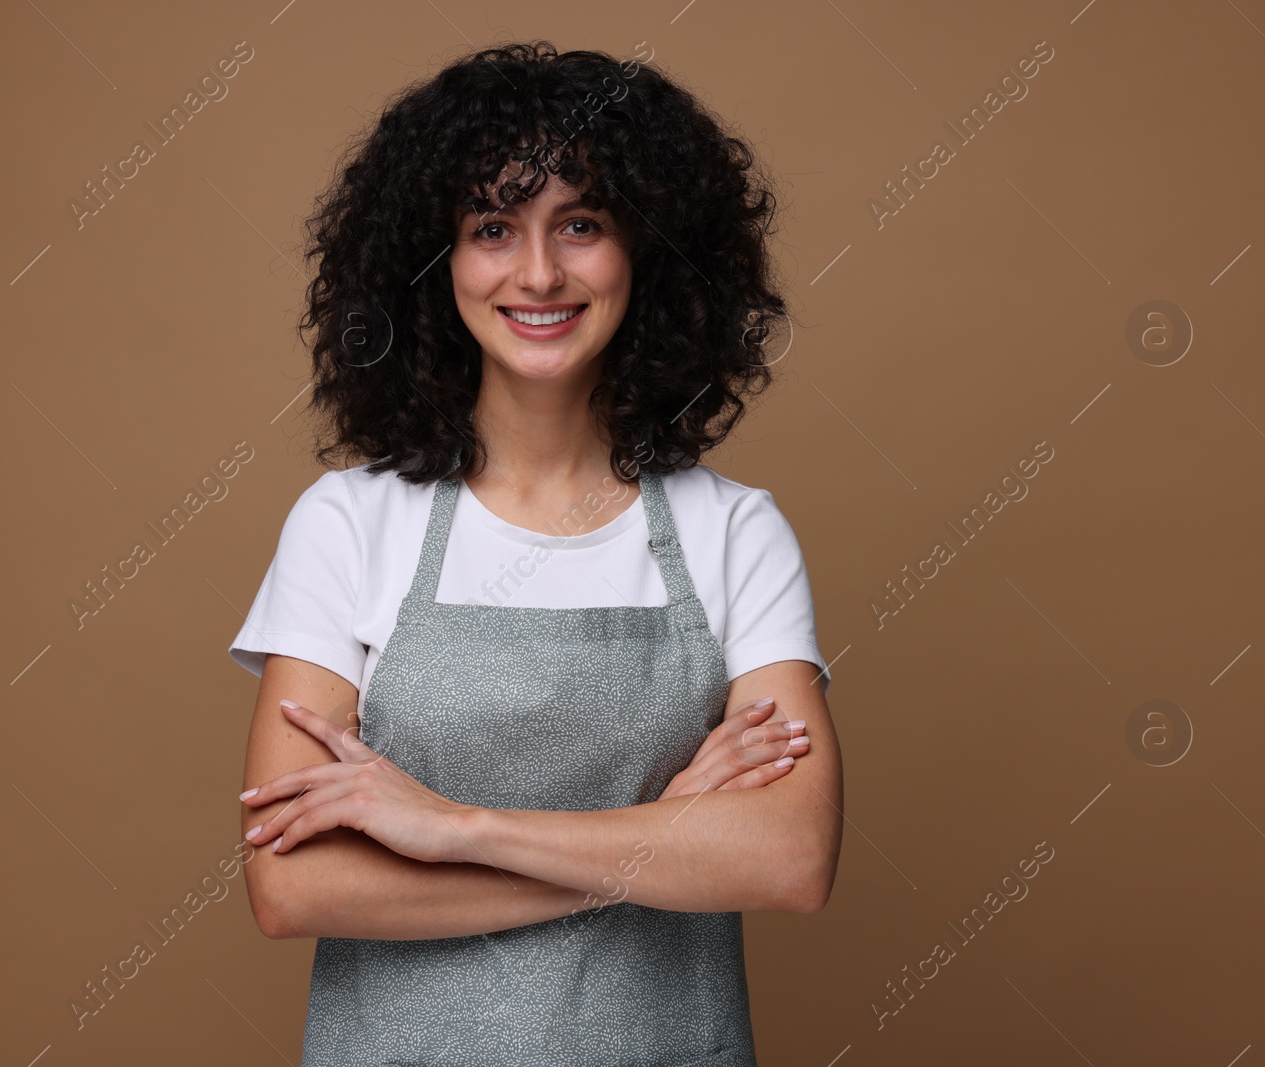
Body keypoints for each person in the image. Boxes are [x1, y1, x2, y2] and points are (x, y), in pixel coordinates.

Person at [228, 40, 843, 1067]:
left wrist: (454, 826)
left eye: (583, 224)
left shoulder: (732, 531)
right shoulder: (346, 523)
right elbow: (294, 887)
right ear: (435, 262)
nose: (540, 271)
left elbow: (790, 856)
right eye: (492, 228)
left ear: (649, 251)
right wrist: (658, 832)